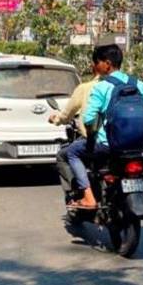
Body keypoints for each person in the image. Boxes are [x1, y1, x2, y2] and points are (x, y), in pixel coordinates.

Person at [66, 44, 143, 210]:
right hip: (136, 148)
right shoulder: (138, 84)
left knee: (72, 152)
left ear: (107, 64)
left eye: (97, 62)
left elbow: (88, 119)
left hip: (107, 146)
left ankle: (88, 197)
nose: (95, 66)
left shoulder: (101, 87)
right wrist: (138, 128)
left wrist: (91, 137)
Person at [48, 61, 102, 203]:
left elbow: (70, 115)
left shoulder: (87, 88)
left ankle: (82, 193)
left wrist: (56, 119)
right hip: (127, 143)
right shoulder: (130, 85)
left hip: (98, 142)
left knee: (65, 154)